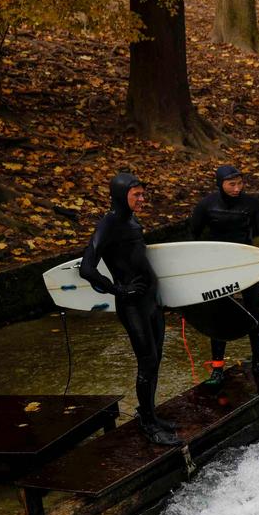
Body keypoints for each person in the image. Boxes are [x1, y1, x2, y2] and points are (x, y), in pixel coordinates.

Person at [80, 172, 179, 446]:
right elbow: (87, 268)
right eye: (137, 195)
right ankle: (147, 424)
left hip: (151, 301)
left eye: (143, 194)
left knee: (156, 358)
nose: (142, 199)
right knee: (146, 361)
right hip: (132, 305)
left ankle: (149, 413)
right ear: (120, 195)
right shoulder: (108, 225)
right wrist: (118, 290)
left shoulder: (132, 221)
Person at [187, 164, 259, 385]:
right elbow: (192, 236)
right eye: (231, 184)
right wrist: (197, 266)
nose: (237, 188)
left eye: (240, 183)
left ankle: (257, 362)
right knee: (219, 313)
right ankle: (217, 369)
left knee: (254, 310)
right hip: (218, 265)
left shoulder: (251, 204)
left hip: (245, 262)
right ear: (220, 184)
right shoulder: (206, 205)